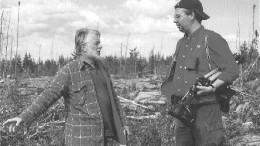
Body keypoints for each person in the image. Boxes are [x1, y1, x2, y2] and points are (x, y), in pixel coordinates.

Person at [3, 28, 128, 146]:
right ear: (83, 47)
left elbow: (114, 99)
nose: (100, 46)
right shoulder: (69, 71)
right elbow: (48, 96)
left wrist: (123, 124)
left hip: (104, 138)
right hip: (81, 140)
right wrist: (23, 117)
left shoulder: (102, 69)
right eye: (96, 43)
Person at [161, 0, 239, 145]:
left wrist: (212, 87)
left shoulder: (212, 38)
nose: (174, 20)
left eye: (178, 16)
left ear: (191, 15)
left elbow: (232, 70)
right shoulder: (180, 43)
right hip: (182, 112)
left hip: (206, 112)